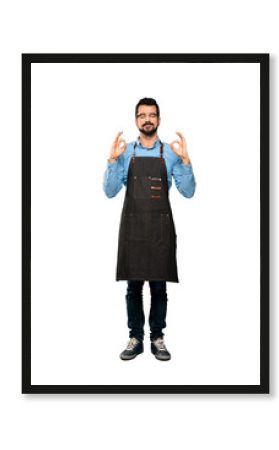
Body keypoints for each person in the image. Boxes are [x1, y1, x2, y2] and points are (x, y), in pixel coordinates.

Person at [103, 98, 196, 361]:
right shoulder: (125, 152)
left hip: (159, 232)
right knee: (133, 288)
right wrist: (111, 161)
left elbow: (188, 192)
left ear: (159, 120)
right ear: (136, 120)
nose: (147, 119)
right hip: (133, 230)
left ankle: (157, 338)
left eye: (152, 115)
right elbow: (110, 192)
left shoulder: (170, 153)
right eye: (142, 115)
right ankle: (135, 338)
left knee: (159, 288)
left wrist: (186, 162)